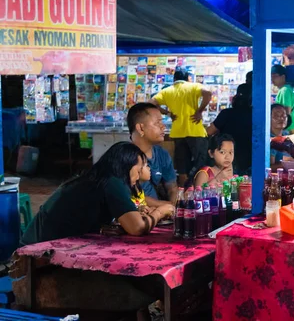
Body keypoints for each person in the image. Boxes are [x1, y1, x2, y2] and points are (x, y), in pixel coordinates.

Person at [21, 142, 174, 245]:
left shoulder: (100, 178)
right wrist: (161, 211)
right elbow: (137, 228)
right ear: (125, 166)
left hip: (45, 241)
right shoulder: (112, 181)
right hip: (39, 248)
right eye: (138, 170)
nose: (138, 176)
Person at [150, 67, 212, 184]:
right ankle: (196, 188)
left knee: (182, 167)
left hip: (178, 133)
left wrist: (167, 113)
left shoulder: (167, 91)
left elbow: (151, 103)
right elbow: (208, 93)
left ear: (174, 79)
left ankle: (183, 192)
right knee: (201, 163)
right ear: (188, 78)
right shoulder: (193, 86)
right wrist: (199, 111)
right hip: (195, 131)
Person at [128, 103, 178, 204]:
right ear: (140, 128)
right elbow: (130, 195)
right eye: (157, 123)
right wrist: (166, 206)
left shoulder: (162, 154)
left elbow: (172, 188)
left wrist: (174, 208)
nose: (163, 127)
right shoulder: (125, 157)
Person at [206, 84, 252, 175]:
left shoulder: (226, 113)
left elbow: (209, 131)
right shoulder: (256, 116)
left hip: (227, 158)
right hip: (250, 158)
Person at [271, 64, 294, 134]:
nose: (272, 79)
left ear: (283, 77)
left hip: (290, 131)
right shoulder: (286, 89)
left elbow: (287, 112)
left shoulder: (284, 90)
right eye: (271, 77)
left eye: (275, 76)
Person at [270, 104, 292, 169]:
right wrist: (292, 164)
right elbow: (269, 168)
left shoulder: (286, 135)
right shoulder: (270, 140)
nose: (282, 118)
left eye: (284, 115)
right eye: (276, 116)